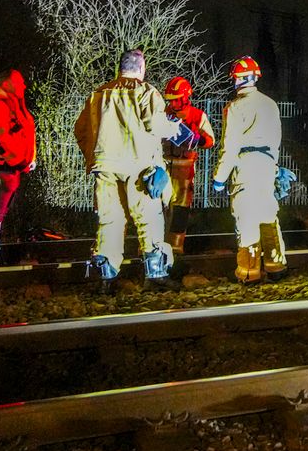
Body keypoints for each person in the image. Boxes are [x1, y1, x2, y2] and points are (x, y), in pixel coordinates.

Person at [74, 49, 191, 292]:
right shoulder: (146, 92)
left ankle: (106, 278)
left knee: (109, 220)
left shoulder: (99, 94)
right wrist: (179, 132)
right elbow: (156, 124)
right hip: (139, 167)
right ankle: (155, 274)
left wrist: (95, 157)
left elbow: (81, 130)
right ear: (141, 69)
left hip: (105, 167)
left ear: (120, 68)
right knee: (148, 219)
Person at [212, 55, 285, 284]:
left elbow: (230, 146)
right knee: (268, 216)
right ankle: (276, 267)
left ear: (237, 80)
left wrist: (219, 178)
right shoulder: (270, 104)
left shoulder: (235, 107)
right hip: (267, 166)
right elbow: (276, 140)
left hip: (245, 166)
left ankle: (248, 273)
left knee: (247, 219)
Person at [0, 69, 36, 265]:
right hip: (1, 169)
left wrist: (26, 159)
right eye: (19, 82)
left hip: (9, 169)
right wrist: (17, 159)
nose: (23, 86)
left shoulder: (9, 106)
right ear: (8, 83)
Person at [161, 76, 216, 253]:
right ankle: (153, 246)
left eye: (176, 100)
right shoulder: (162, 114)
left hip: (184, 169)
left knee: (180, 210)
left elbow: (210, 140)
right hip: (162, 165)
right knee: (157, 208)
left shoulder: (198, 115)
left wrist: (197, 139)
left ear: (185, 97)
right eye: (170, 100)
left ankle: (175, 247)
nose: (173, 104)